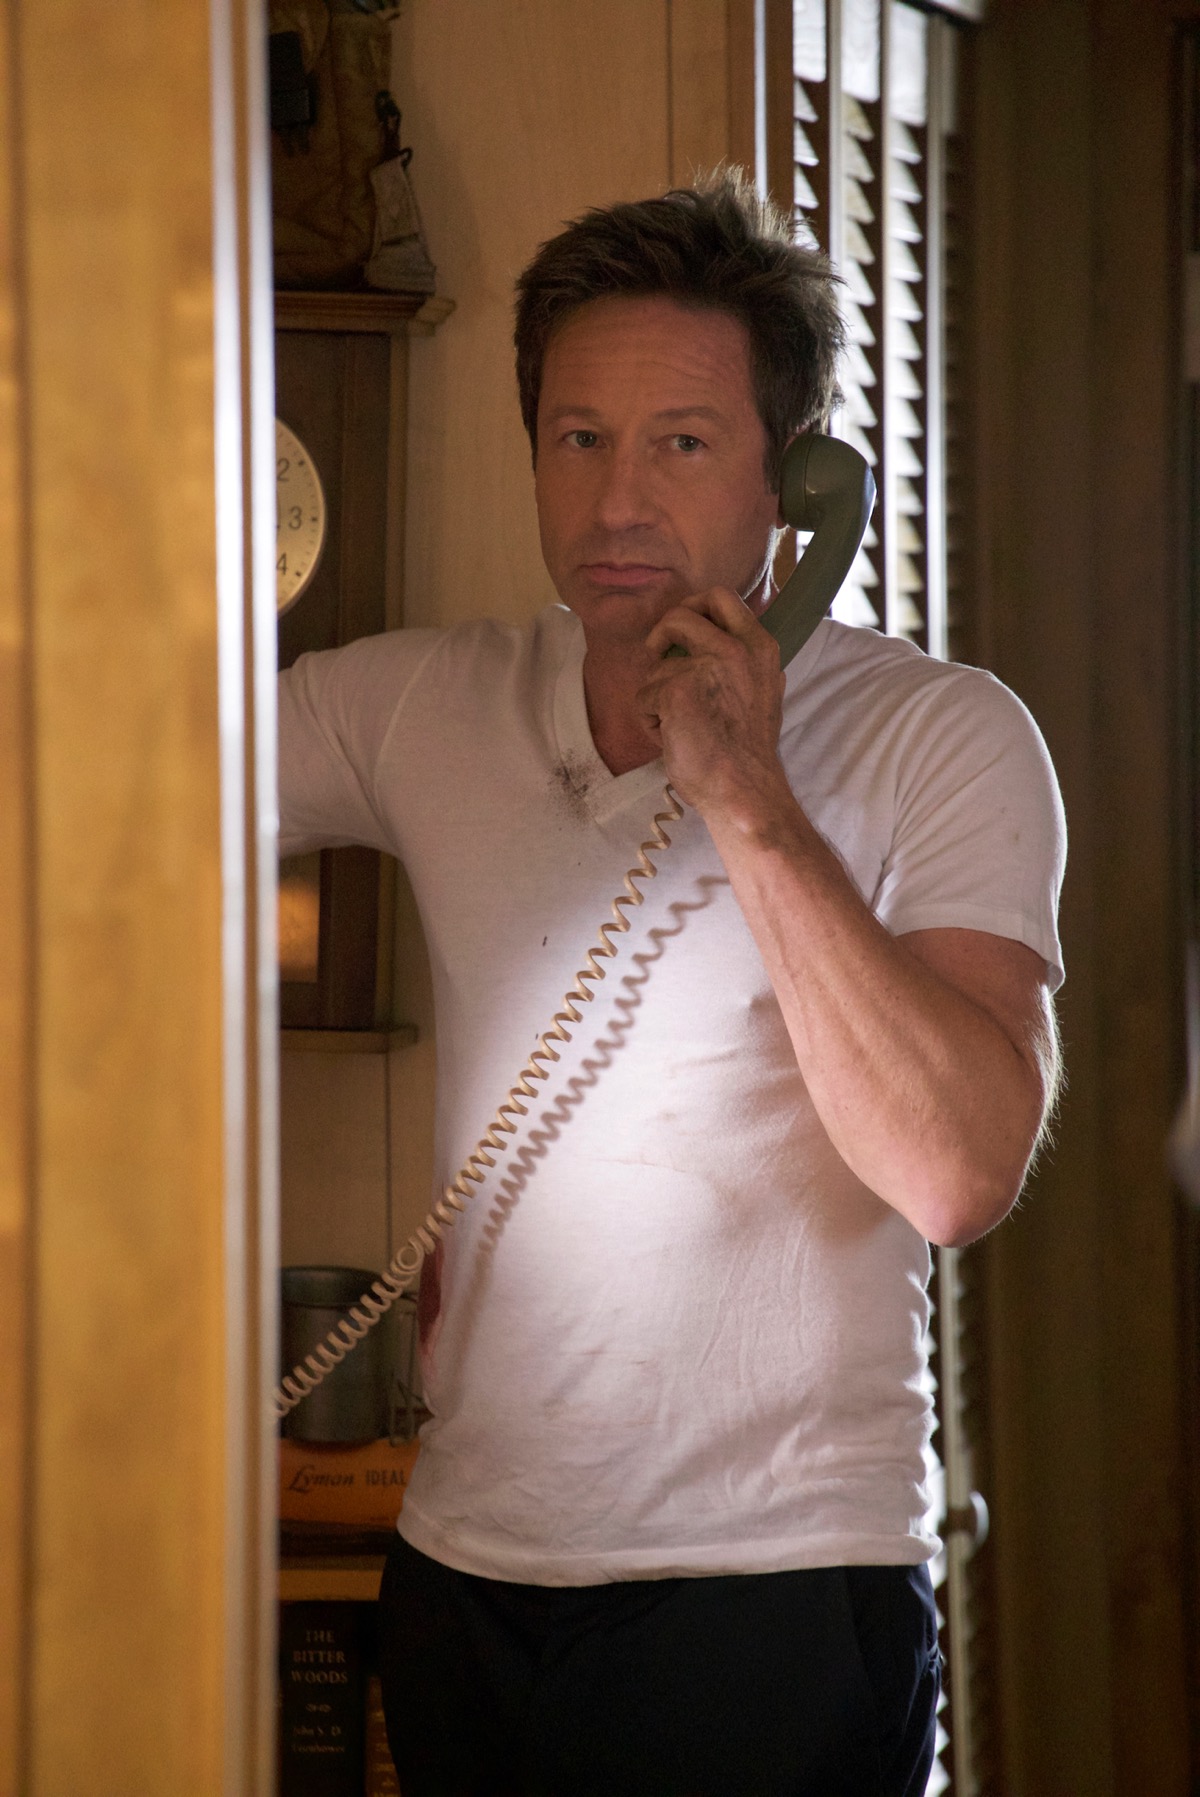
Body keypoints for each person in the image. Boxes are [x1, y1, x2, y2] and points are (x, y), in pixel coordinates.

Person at [278, 170, 1065, 1796]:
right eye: (579, 438)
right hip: (466, 1569)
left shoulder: (944, 735)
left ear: (797, 481)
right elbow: (111, 781)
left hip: (775, 1591)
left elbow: (958, 1170)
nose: (617, 499)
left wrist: (749, 799)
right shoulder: (424, 705)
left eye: (682, 443)